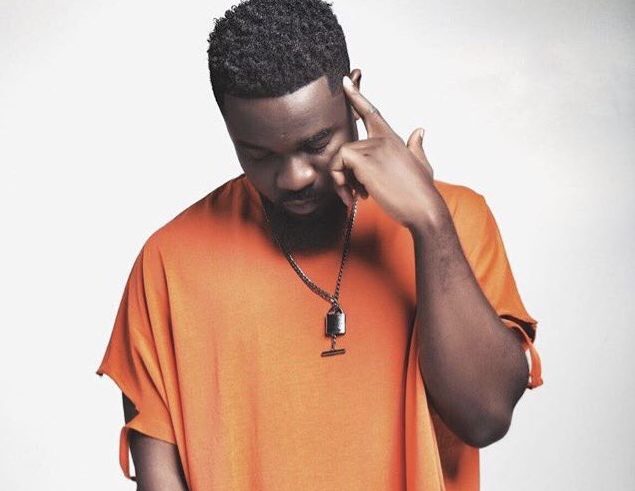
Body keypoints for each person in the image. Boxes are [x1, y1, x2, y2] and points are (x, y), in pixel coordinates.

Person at [96, 0, 543, 489]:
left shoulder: (452, 219)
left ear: (354, 95)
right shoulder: (168, 263)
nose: (294, 177)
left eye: (316, 143)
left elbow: (485, 416)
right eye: (259, 153)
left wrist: (429, 224)